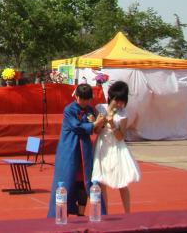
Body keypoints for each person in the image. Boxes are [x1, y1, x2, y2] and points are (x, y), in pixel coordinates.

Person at [47, 84, 106, 218]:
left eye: (87, 99)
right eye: (82, 99)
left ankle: (82, 213)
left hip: (84, 150)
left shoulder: (90, 109)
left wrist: (99, 123)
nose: (84, 102)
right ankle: (58, 214)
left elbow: (96, 129)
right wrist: (94, 124)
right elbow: (76, 126)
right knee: (65, 181)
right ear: (76, 96)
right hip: (69, 149)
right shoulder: (69, 109)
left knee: (85, 181)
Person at [92, 81, 141, 213]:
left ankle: (127, 212)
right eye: (117, 101)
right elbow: (96, 131)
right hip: (102, 146)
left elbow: (120, 137)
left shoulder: (123, 114)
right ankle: (104, 212)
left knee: (121, 181)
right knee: (101, 180)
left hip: (116, 147)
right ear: (110, 97)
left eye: (122, 101)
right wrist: (101, 121)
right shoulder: (100, 108)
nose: (119, 104)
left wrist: (113, 125)